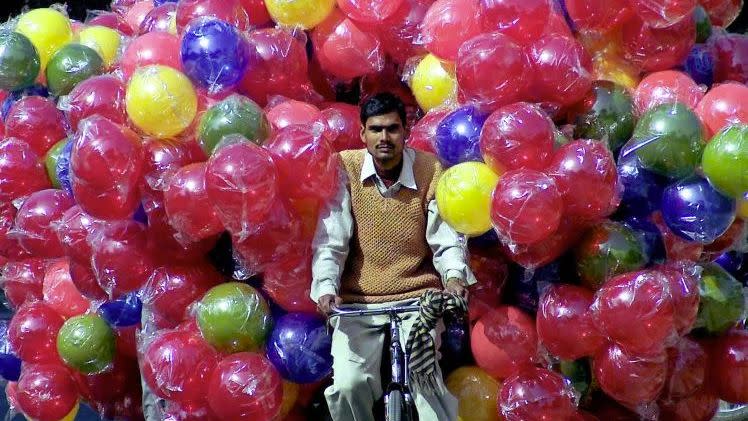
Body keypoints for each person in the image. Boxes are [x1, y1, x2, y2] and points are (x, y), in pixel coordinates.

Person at [311, 92, 476, 421]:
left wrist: (455, 278)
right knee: (348, 386)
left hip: (418, 301)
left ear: (406, 132)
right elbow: (331, 239)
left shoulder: (430, 169)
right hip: (357, 304)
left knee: (425, 381)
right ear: (363, 134)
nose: (384, 138)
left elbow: (445, 238)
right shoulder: (345, 166)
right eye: (375, 130)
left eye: (392, 129)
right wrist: (327, 287)